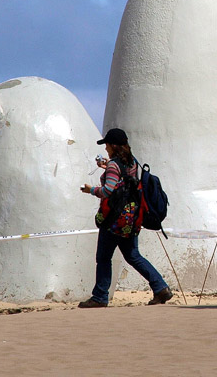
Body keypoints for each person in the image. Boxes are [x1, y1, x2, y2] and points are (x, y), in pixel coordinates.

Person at [78, 128, 172, 308]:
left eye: (107, 144)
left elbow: (108, 190)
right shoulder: (131, 162)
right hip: (132, 218)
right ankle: (160, 288)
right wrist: (108, 166)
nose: (105, 148)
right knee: (133, 255)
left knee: (104, 258)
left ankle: (99, 296)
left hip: (114, 220)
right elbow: (124, 180)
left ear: (113, 145)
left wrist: (90, 189)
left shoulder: (115, 165)